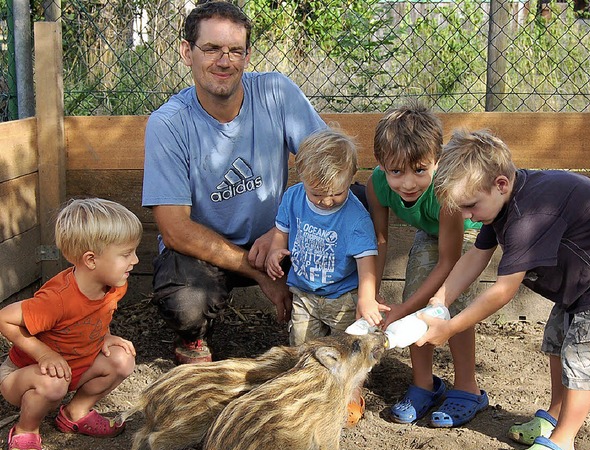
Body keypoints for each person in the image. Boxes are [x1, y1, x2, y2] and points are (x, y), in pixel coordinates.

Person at [419, 128, 590, 450]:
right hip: (579, 285)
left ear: (501, 184)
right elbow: (476, 257)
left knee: (581, 363)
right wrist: (439, 299)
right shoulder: (499, 205)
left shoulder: (526, 217)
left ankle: (562, 445)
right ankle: (554, 416)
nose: (466, 216)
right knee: (557, 344)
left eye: (470, 206)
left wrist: (450, 327)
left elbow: (503, 291)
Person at [141, 1, 327, 364]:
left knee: (355, 202)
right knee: (186, 301)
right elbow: (175, 230)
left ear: (247, 55)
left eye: (235, 51)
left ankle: (332, 329)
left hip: (276, 242)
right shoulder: (169, 124)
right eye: (210, 49)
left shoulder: (276, 92)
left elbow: (328, 166)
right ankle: (192, 340)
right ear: (186, 52)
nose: (224, 61)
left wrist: (282, 230)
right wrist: (258, 272)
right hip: (207, 254)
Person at [365, 102, 486, 426]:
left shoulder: (444, 191)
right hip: (431, 231)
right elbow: (379, 241)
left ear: (436, 161)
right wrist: (372, 295)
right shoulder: (376, 185)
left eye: (419, 170)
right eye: (396, 171)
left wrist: (404, 310)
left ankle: (468, 389)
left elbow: (449, 260)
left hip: (470, 232)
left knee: (450, 304)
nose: (407, 183)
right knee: (414, 292)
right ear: (382, 165)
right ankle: (424, 385)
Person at [0, 198, 142, 450]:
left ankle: (75, 413)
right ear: (91, 259)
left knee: (122, 358)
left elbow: (99, 313)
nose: (135, 260)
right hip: (23, 377)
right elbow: (4, 319)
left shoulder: (114, 285)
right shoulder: (57, 300)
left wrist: (105, 336)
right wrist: (43, 354)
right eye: (126, 254)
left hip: (74, 368)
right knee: (53, 383)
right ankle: (25, 431)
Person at [266, 128, 388, 426]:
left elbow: (366, 260)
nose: (327, 201)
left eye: (337, 193)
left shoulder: (355, 217)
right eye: (318, 193)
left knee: (349, 350)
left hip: (341, 297)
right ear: (302, 178)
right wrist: (275, 251)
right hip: (304, 293)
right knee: (302, 345)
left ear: (350, 179)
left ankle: (351, 396)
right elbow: (282, 229)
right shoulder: (293, 198)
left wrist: (366, 297)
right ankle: (303, 392)